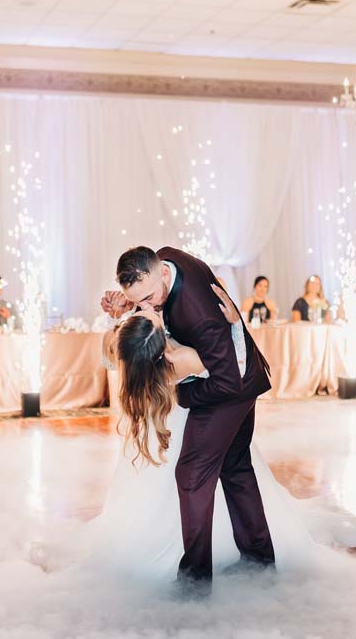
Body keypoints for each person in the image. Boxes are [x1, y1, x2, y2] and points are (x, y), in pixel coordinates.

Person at [88, 285, 356, 587]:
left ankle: (171, 552)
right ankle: (225, 553)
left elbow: (114, 354)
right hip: (194, 421)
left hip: (153, 430)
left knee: (164, 487)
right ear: (159, 343)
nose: (149, 310)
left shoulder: (122, 346)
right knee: (212, 476)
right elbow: (228, 367)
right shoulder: (181, 357)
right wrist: (233, 325)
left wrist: (122, 319)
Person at [101, 246, 274, 594]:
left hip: (227, 388)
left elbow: (225, 382)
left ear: (163, 274)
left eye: (149, 298)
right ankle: (259, 560)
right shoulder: (164, 259)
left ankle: (195, 580)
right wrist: (131, 307)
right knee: (236, 467)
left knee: (192, 474)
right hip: (234, 372)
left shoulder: (200, 317)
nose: (146, 307)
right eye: (139, 302)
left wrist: (179, 396)